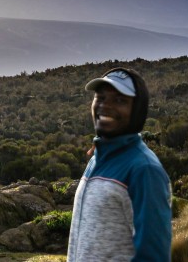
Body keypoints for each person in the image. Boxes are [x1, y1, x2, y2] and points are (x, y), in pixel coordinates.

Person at [67, 67, 172, 262]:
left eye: (120, 100)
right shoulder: (96, 160)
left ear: (137, 110)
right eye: (101, 98)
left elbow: (153, 257)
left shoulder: (144, 170)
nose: (105, 106)